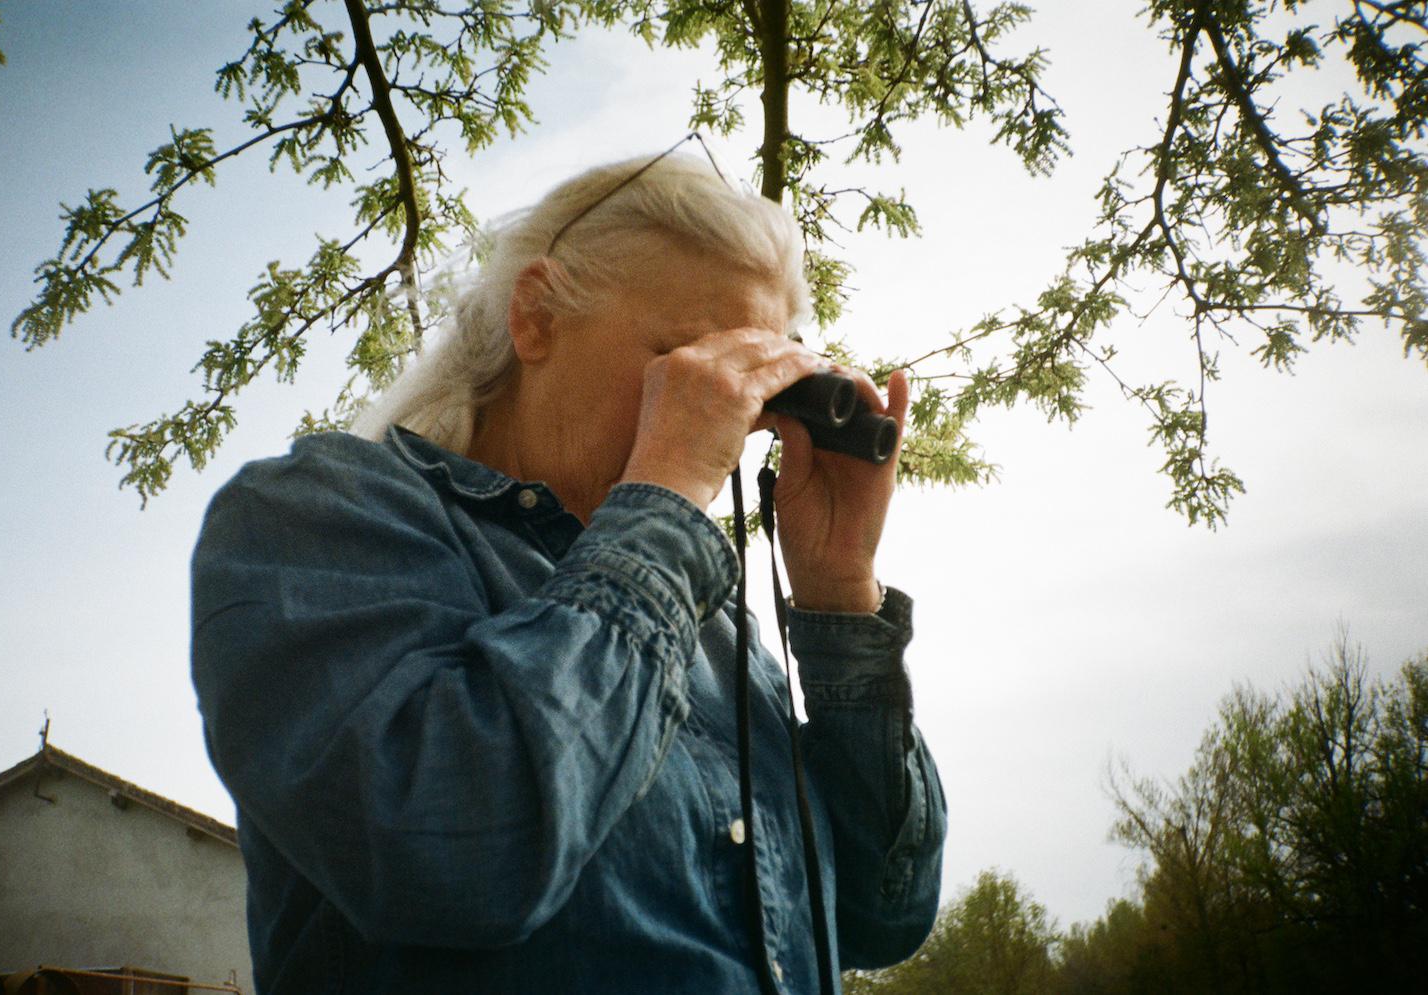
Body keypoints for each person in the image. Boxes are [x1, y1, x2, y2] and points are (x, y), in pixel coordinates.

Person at [190, 150, 947, 995]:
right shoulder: (316, 513)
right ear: (536, 315)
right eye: (694, 362)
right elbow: (455, 855)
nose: (728, 415)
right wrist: (664, 501)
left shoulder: (707, 626)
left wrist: (840, 596)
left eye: (749, 383)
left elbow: (886, 916)